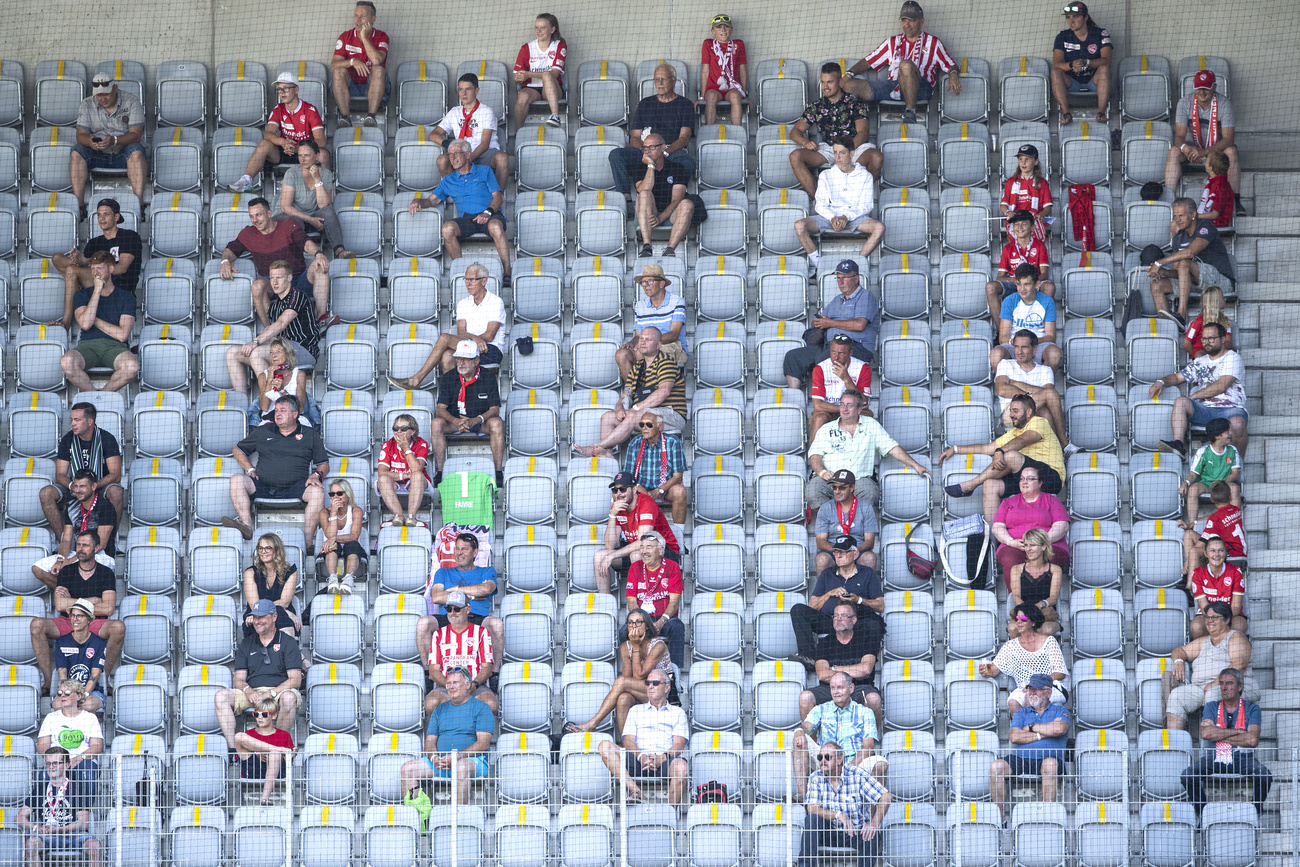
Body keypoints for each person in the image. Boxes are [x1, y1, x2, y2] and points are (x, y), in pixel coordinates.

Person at [941, 393, 1067, 528]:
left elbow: (1023, 440)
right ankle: (994, 535)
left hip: (1050, 479)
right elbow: (987, 448)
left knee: (1010, 456)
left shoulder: (1039, 422)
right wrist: (955, 449)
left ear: (1029, 412)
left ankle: (971, 485)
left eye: (1015, 411)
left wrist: (1000, 452)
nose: (1011, 414)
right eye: (1010, 411)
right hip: (1025, 479)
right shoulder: (1013, 433)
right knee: (990, 485)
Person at [223, 395, 330, 551]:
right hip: (263, 485)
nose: (277, 414)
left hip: (296, 487)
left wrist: (316, 475)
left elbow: (324, 464)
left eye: (283, 410)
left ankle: (307, 543)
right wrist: (250, 469)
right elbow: (237, 450)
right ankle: (247, 526)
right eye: (276, 410)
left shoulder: (309, 434)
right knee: (237, 479)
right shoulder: (264, 431)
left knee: (318, 492)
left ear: (295, 414)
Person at [29, 533, 125, 697]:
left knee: (118, 627)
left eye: (85, 545)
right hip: (67, 620)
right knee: (36, 624)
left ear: (96, 548)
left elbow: (108, 608)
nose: (80, 549)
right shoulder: (66, 571)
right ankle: (47, 680)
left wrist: (73, 602)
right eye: (78, 545)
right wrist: (93, 600)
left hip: (93, 622)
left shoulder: (105, 573)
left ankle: (104, 679)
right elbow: (60, 605)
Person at [218, 197, 334, 332]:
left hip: (298, 280)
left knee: (319, 265)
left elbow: (305, 242)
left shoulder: (288, 225)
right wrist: (225, 261)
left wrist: (318, 254)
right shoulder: (248, 234)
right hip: (273, 284)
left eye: (259, 215)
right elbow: (231, 249)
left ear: (269, 213)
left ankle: (321, 320)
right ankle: (271, 330)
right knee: (256, 286)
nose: (255, 220)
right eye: (252, 216)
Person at [807, 390, 932, 510]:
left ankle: (853, 525)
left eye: (849, 405)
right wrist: (822, 472)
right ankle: (833, 521)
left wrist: (915, 465)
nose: (844, 409)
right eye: (842, 405)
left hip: (859, 479)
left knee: (870, 493)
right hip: (831, 478)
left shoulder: (871, 425)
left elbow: (891, 447)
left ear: (859, 409)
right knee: (813, 491)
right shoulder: (826, 429)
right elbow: (814, 455)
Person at [574, 327, 688, 458]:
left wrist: (635, 408)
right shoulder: (637, 367)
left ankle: (599, 446)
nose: (643, 342)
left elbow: (664, 392)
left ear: (658, 345)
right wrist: (619, 408)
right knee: (608, 417)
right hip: (645, 413)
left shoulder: (666, 362)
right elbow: (626, 394)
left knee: (633, 416)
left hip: (672, 415)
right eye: (641, 339)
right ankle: (606, 456)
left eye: (648, 340)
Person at [407, 141, 511, 283]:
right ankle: (464, 272)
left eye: (456, 153)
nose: (452, 157)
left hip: (490, 215)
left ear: (468, 155)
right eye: (450, 154)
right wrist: (418, 201)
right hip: (468, 219)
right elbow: (432, 201)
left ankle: (507, 271)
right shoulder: (448, 180)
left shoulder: (484, 171)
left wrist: (487, 212)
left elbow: (498, 197)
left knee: (496, 226)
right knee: (447, 229)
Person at [388, 262, 508, 384]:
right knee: (447, 357)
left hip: (489, 350)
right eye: (466, 279)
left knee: (445, 338)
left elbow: (489, 336)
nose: (468, 283)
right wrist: (475, 339)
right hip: (471, 346)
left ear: (484, 281)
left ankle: (415, 379)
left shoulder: (496, 302)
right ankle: (452, 398)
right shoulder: (463, 303)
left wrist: (474, 340)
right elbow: (461, 331)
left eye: (472, 280)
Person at [215, 598, 305, 758]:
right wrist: (247, 690)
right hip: (252, 692)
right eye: (255, 617)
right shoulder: (247, 644)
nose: (257, 621)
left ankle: (277, 748)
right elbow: (238, 679)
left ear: (274, 617)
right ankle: (233, 752)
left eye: (262, 617)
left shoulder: (288, 642)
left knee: (290, 697)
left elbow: (295, 680)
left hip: (278, 692)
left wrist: (271, 694)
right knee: (221, 696)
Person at [843, 1, 960, 123]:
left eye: (911, 20)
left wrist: (953, 74)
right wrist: (849, 74)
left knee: (905, 65)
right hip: (894, 86)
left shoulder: (933, 43)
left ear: (921, 21)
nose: (907, 25)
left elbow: (951, 65)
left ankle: (910, 113)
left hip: (921, 89)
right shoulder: (892, 42)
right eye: (904, 20)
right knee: (849, 85)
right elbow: (868, 61)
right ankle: (853, 124)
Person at [415, 534, 505, 691]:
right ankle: (429, 673)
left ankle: (494, 674)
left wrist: (453, 590)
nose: (459, 552)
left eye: (465, 549)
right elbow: (436, 596)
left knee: (497, 624)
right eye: (457, 548)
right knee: (423, 623)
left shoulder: (487, 571)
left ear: (475, 552)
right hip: (450, 615)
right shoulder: (443, 572)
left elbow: (486, 589)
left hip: (476, 618)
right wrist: (473, 594)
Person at [564, 607, 673, 737]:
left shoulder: (658, 645)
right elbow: (628, 680)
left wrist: (636, 647)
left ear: (647, 626)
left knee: (621, 682)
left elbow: (639, 674)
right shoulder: (625, 647)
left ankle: (592, 724)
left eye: (639, 622)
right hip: (641, 690)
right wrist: (633, 646)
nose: (634, 626)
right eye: (631, 622)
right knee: (623, 698)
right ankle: (626, 746)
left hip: (660, 690)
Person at [225, 259, 323, 399]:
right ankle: (241, 401)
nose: (274, 282)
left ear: (289, 278)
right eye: (272, 278)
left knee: (257, 352)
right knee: (232, 352)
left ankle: (271, 400)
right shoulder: (275, 306)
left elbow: (281, 323)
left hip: (303, 350)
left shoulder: (297, 295)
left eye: (279, 278)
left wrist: (255, 342)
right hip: (282, 350)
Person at [1180, 668, 1272, 816]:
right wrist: (1238, 732)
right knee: (1188, 775)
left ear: (1240, 686)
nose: (1224, 687)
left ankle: (1254, 814)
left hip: (1242, 758)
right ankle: (1204, 814)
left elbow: (1252, 740)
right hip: (1213, 757)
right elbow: (1206, 733)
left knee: (1264, 775)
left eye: (1229, 683)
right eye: (1222, 683)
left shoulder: (1252, 709)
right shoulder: (1211, 706)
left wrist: (1218, 734)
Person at [1151, 321, 1247, 456]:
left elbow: (1221, 385)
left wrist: (1195, 396)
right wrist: (1161, 382)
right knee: (1180, 401)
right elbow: (1178, 377)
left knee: (1237, 424)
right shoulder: (1200, 361)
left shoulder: (1232, 358)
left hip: (1231, 410)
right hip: (1206, 410)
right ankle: (1178, 445)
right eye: (1204, 338)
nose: (1207, 342)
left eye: (1212, 338)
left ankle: (1236, 466)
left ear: (1223, 339)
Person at [609, 64, 696, 213]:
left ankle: (673, 199)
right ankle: (626, 199)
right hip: (646, 150)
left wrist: (665, 152)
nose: (660, 83)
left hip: (671, 152)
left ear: (673, 81)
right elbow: (635, 137)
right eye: (657, 80)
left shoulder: (685, 104)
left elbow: (684, 138)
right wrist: (646, 150)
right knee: (616, 155)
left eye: (663, 79)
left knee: (688, 162)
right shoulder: (645, 104)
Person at [595, 671, 690, 804]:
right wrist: (641, 756)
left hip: (665, 761)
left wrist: (661, 758)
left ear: (667, 687)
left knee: (682, 766)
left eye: (655, 683)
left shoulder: (678, 712)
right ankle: (637, 791)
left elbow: (679, 744)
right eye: (647, 683)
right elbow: (628, 741)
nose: (650, 686)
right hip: (638, 759)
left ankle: (670, 813)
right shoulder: (636, 710)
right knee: (604, 746)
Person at [400, 668, 493, 804]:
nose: (450, 686)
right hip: (442, 763)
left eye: (455, 682)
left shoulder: (482, 708)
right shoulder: (439, 710)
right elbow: (430, 742)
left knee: (461, 767)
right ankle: (416, 817)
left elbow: (483, 743)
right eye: (448, 683)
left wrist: (455, 758)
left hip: (472, 762)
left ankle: (460, 820)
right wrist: (434, 758)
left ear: (468, 685)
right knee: (407, 769)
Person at [788, 64, 880, 199]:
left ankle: (857, 197)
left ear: (840, 82)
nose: (825, 87)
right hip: (829, 149)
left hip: (854, 147)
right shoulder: (816, 106)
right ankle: (819, 201)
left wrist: (846, 151)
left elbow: (863, 133)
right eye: (823, 82)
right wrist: (805, 142)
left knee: (877, 157)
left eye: (830, 82)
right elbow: (794, 132)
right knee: (795, 156)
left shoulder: (855, 102)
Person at [784, 259, 879, 389]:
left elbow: (860, 325)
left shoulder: (865, 296)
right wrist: (819, 322)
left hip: (856, 348)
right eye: (838, 278)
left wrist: (830, 322)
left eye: (845, 277)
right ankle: (793, 401)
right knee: (793, 357)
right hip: (830, 347)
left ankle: (828, 402)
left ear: (856, 279)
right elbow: (817, 321)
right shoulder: (837, 300)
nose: (841, 282)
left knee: (825, 358)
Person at [990, 674, 1071, 823]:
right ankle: (1000, 821)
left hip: (1049, 759)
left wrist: (1031, 727)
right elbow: (1014, 736)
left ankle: (1049, 819)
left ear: (1049, 693)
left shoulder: (1060, 711)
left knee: (1050, 764)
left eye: (1037, 690)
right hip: (1022, 759)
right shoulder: (1021, 713)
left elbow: (1059, 729)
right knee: (996, 766)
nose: (1032, 693)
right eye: (1030, 689)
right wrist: (1044, 734)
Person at [1163, 600, 1256, 730]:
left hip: (1235, 686)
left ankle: (1213, 744)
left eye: (1215, 618)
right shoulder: (1203, 641)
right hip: (1202, 688)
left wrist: (1215, 683)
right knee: (1177, 695)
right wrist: (1178, 662)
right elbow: (1180, 650)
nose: (1209, 621)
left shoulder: (1235, 637)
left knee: (1214, 693)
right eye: (1207, 617)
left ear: (1227, 619)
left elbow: (1239, 665)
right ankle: (1174, 745)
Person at [792, 534, 882, 669]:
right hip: (830, 620)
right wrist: (829, 593)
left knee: (873, 625)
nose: (838, 555)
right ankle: (810, 658)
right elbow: (812, 605)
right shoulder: (827, 574)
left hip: (855, 621)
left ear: (855, 554)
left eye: (843, 552)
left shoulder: (867, 573)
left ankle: (866, 663)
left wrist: (859, 600)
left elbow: (880, 605)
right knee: (798, 610)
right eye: (836, 552)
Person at [228, 73, 329, 193]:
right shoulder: (278, 109)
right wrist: (283, 142)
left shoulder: (310, 110)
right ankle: (245, 182)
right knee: (264, 144)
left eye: (286, 88)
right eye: (279, 89)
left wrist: (298, 149)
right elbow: (268, 134)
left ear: (296, 89)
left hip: (305, 153)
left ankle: (325, 191)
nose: (282, 93)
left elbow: (321, 141)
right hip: (284, 151)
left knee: (323, 153)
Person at [50, 198, 143, 328]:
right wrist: (78, 260)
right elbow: (87, 268)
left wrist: (85, 261)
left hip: (119, 287)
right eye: (99, 214)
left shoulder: (129, 236)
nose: (101, 218)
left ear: (116, 217)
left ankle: (66, 322)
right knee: (57, 258)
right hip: (96, 285)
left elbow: (122, 268)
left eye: (106, 214)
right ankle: (78, 284)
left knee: (72, 270)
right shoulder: (94, 242)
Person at [793, 671, 887, 799]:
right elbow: (807, 726)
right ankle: (803, 797)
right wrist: (799, 731)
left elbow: (868, 747)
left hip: (854, 763)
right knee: (799, 739)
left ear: (851, 688)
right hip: (824, 760)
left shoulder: (865, 712)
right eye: (832, 688)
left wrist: (849, 768)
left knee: (881, 764)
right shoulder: (821, 709)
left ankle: (871, 815)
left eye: (840, 687)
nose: (836, 692)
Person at [797, 741, 892, 867]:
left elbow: (886, 796)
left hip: (854, 832)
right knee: (811, 819)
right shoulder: (816, 777)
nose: (822, 761)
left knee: (872, 834)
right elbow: (812, 808)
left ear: (839, 759)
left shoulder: (856, 774)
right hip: (828, 832)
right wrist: (838, 815)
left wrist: (874, 823)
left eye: (827, 757)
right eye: (820, 757)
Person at [795, 139, 886, 271]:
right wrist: (833, 217)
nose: (837, 157)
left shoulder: (865, 176)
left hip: (854, 217)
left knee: (879, 228)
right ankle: (819, 265)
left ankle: (854, 267)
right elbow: (820, 204)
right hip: (830, 217)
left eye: (842, 153)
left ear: (852, 153)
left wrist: (846, 217)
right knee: (799, 225)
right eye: (835, 153)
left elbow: (866, 205)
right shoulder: (826, 175)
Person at [799, 599, 886, 737]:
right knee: (805, 697)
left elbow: (865, 670)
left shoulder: (866, 640)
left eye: (844, 616)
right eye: (836, 616)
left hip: (859, 688)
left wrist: (834, 669)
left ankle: (868, 744)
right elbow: (821, 674)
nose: (838, 619)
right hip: (829, 689)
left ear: (854, 620)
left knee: (874, 699)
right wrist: (853, 670)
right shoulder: (824, 643)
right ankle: (814, 747)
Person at [1147, 197, 1237, 330]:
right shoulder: (1179, 237)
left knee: (1184, 262)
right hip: (1194, 283)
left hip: (1219, 283)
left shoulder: (1205, 226)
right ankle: (1170, 328)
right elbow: (1179, 273)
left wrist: (1159, 262)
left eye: (1181, 215)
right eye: (1176, 216)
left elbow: (1190, 253)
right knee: (1156, 284)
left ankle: (1181, 315)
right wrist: (1164, 271)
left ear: (1193, 214)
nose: (1177, 220)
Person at [427, 340, 506, 487]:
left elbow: (495, 409)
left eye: (466, 359)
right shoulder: (450, 377)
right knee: (436, 423)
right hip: (455, 422)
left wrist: (476, 420)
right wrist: (456, 421)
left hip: (479, 422)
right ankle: (440, 471)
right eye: (458, 358)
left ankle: (498, 471)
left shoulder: (488, 377)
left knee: (496, 422)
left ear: (476, 360)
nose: (461, 362)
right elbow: (440, 409)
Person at [59, 251, 139, 393]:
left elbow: (122, 335)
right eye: (93, 269)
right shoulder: (82, 294)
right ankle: (92, 396)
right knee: (67, 361)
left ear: (111, 269)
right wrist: (96, 291)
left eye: (100, 268)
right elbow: (85, 324)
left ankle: (103, 397)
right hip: (88, 345)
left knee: (132, 367)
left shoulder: (126, 297)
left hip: (116, 347)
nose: (95, 273)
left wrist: (94, 318)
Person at [71, 74, 145, 223]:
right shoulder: (87, 104)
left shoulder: (131, 101)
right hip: (98, 153)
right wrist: (90, 141)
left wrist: (115, 140)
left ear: (115, 89)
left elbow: (136, 135)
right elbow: (81, 136)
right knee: (77, 151)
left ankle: (139, 205)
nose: (102, 98)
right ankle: (79, 206)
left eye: (106, 95)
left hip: (123, 153)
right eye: (99, 96)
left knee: (136, 150)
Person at [592, 472, 682, 593]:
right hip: (636, 550)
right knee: (599, 556)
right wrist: (612, 515)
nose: (619, 494)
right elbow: (610, 545)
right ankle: (605, 604)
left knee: (636, 554)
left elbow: (642, 541)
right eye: (615, 490)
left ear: (634, 489)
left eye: (623, 489)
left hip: (665, 551)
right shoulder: (618, 507)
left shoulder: (646, 503)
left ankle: (643, 602)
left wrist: (613, 555)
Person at [16, 746, 101, 867]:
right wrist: (36, 828)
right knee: (31, 845)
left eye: (56, 763)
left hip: (75, 835)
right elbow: (19, 817)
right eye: (48, 763)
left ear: (67, 765)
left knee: (95, 847)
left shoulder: (78, 788)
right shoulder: (40, 789)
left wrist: (58, 829)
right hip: (48, 835)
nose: (51, 767)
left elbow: (83, 823)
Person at [35, 466, 120, 585]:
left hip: (100, 555)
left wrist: (70, 561)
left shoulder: (105, 507)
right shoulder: (72, 508)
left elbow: (100, 545)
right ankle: (73, 593)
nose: (78, 490)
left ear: (93, 487)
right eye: (76, 486)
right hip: (78, 552)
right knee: (38, 568)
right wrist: (60, 560)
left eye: (83, 486)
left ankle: (77, 593)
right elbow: (66, 541)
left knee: (82, 563)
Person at [980, 603, 1069, 716]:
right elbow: (993, 670)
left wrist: (1037, 684)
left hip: (1051, 686)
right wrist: (985, 670)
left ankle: (1032, 731)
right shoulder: (1010, 645)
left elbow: (1060, 673)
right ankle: (1023, 731)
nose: (1019, 622)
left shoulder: (1049, 641)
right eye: (1017, 618)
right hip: (1024, 688)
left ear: (1033, 622)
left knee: (1029, 699)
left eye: (1023, 618)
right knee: (1013, 702)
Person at [1165, 69, 1240, 201]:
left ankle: (1235, 201)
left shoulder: (1224, 104)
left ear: (1214, 87)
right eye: (1199, 88)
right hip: (1191, 151)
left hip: (1215, 151)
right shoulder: (1184, 103)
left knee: (1232, 151)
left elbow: (1229, 139)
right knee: (1173, 151)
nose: (1202, 92)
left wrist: (1205, 151)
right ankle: (1169, 200)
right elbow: (1178, 137)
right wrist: (1186, 149)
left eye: (1206, 88)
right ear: (1194, 88)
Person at [425, 73, 508, 190]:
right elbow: (433, 135)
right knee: (442, 160)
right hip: (462, 152)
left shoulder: (486, 111)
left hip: (484, 153)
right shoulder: (455, 112)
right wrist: (448, 144)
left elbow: (484, 144)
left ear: (477, 90)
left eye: (468, 89)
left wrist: (467, 159)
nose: (463, 93)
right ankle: (457, 193)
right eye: (461, 89)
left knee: (502, 159)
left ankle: (497, 200)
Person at [424, 590, 498, 715]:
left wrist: (472, 685)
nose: (452, 613)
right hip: (446, 687)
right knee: (431, 702)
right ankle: (448, 733)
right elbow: (433, 671)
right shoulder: (438, 634)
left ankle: (473, 733)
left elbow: (487, 667)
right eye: (449, 609)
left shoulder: (481, 632)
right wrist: (451, 686)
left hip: (475, 686)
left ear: (467, 609)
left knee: (491, 704)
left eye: (457, 609)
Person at [631, 132, 704, 259]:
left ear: (663, 147)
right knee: (644, 194)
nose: (647, 151)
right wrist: (650, 165)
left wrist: (661, 218)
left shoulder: (677, 168)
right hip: (648, 213)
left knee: (686, 204)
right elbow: (643, 189)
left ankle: (670, 249)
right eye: (645, 148)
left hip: (671, 214)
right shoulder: (640, 168)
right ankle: (647, 246)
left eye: (652, 147)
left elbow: (677, 199)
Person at [994, 330, 1068, 450]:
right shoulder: (1005, 364)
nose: (1019, 351)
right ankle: (1063, 445)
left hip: (1035, 413)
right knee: (1047, 397)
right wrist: (1035, 393)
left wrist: (1016, 384)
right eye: (1016, 347)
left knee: (1045, 411)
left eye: (1024, 347)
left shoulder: (1045, 370)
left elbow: (1051, 398)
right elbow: (1002, 390)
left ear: (1034, 349)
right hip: (1012, 413)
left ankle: (1054, 451)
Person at [278, 140, 352, 260]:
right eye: (300, 155)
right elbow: (285, 207)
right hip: (289, 216)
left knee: (328, 211)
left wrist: (317, 178)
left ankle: (339, 250)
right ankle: (293, 256)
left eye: (307, 155)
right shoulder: (291, 173)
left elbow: (323, 204)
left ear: (317, 156)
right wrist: (310, 220)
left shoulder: (326, 174)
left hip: (314, 215)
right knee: (296, 220)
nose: (303, 159)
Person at [622, 532, 685, 667]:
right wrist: (640, 623)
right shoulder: (635, 567)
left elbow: (674, 601)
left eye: (649, 547)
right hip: (643, 620)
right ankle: (632, 670)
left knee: (677, 626)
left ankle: (675, 672)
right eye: (642, 547)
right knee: (624, 631)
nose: (644, 552)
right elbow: (631, 602)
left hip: (665, 620)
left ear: (661, 550)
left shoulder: (672, 567)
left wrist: (662, 621)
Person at [615, 264, 688, 381]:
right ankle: (633, 393)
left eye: (649, 281)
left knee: (641, 352)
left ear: (661, 283)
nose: (645, 285)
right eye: (643, 282)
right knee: (621, 354)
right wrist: (631, 343)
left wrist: (648, 342)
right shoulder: (640, 305)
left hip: (672, 346)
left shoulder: (677, 302)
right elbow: (638, 336)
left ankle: (643, 393)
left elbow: (674, 334)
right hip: (647, 346)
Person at [620, 412, 688, 534]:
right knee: (621, 491)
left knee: (680, 491)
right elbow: (628, 476)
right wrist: (640, 489)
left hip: (665, 488)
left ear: (660, 426)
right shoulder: (635, 443)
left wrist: (659, 490)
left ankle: (679, 535)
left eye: (649, 425)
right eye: (642, 424)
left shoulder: (672, 442)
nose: (644, 428)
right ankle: (628, 535)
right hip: (640, 488)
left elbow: (678, 477)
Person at [990, 264, 1064, 372]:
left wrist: (1029, 343)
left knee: (1054, 354)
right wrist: (1018, 344)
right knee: (995, 355)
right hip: (1014, 345)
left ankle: (1042, 386)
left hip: (1039, 344)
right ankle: (1010, 387)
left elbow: (1051, 336)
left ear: (1036, 284)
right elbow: (1003, 337)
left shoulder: (1047, 301)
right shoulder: (1009, 301)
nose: (1022, 289)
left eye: (1027, 284)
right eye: (1019, 284)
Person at [1050, 2, 1113, 124]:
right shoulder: (1062, 36)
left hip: (1093, 81)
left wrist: (1087, 62)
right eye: (1068, 17)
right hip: (1072, 82)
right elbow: (1056, 63)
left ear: (1086, 17)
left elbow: (1107, 61)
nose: (1071, 21)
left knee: (1105, 69)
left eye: (1076, 16)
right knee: (1055, 72)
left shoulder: (1100, 33)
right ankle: (1066, 114)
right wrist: (1071, 65)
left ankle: (1101, 113)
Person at [37, 672, 103, 784]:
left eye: (67, 693)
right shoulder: (50, 717)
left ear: (79, 696)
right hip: (56, 761)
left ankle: (83, 802)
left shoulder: (90, 718)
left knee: (87, 774)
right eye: (59, 693)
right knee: (43, 776)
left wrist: (78, 758)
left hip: (83, 760)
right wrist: (55, 760)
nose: (62, 695)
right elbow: (42, 745)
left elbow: (97, 746)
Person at [331, 1, 390, 127]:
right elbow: (333, 65)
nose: (358, 19)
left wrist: (364, 37)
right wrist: (352, 61)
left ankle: (371, 117)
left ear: (373, 19)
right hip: (350, 87)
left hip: (374, 87)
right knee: (338, 71)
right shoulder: (345, 36)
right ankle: (345, 118)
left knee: (378, 69)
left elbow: (376, 61)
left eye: (363, 16)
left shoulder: (382, 36)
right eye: (356, 15)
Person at [987, 209, 1054, 318]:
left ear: (1032, 227)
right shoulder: (1008, 248)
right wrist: (1012, 280)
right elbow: (999, 277)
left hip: (1033, 283)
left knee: (1049, 287)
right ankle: (1001, 332)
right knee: (991, 287)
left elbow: (1045, 274)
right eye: (1017, 224)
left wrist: (1030, 282)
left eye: (1024, 224)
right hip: (1013, 283)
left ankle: (1039, 327)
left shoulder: (1040, 246)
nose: (1020, 227)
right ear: (1013, 228)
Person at [809, 335, 874, 441]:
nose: (836, 357)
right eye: (833, 352)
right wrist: (845, 409)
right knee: (819, 418)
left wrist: (847, 379)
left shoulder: (863, 367)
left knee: (865, 417)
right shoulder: (820, 368)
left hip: (855, 410)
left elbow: (864, 403)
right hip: (828, 410)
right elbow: (818, 405)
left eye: (841, 353)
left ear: (850, 353)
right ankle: (813, 456)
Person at [1181, 417, 1241, 529]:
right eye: (1227, 432)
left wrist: (1221, 482)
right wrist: (1185, 483)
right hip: (1207, 483)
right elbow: (1194, 474)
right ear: (1217, 436)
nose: (1230, 434)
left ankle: (1234, 524)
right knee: (1193, 489)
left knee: (1235, 489)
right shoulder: (1203, 452)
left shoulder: (1232, 450)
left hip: (1224, 484)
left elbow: (1235, 474)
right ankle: (1192, 525)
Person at [813, 471, 878, 573]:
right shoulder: (825, 508)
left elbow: (869, 541)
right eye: (834, 487)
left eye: (842, 488)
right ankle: (825, 590)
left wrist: (853, 552)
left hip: (857, 551)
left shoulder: (866, 507)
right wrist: (838, 551)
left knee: (869, 558)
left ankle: (864, 589)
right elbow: (820, 542)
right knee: (822, 559)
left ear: (852, 488)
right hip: (833, 551)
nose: (837, 491)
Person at [235, 695, 295, 805]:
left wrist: (288, 755)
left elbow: (288, 759)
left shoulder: (284, 735)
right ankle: (278, 749)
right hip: (253, 770)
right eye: (256, 714)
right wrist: (258, 754)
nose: (260, 717)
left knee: (275, 754)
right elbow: (239, 756)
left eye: (264, 714)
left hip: (277, 771)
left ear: (274, 716)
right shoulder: (249, 734)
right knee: (239, 736)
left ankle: (265, 797)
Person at [50, 600, 108, 712]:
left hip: (92, 692)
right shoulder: (61, 642)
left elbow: (94, 676)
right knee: (58, 705)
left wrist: (82, 696)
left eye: (79, 616)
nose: (74, 619)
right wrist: (68, 695)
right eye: (72, 615)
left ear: (89, 619)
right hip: (67, 691)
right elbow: (62, 676)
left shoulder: (99, 643)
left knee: (87, 705)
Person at [512, 13, 567, 129]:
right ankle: (518, 134)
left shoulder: (559, 45)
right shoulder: (526, 47)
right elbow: (517, 74)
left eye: (543, 27)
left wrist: (528, 74)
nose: (538, 31)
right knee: (522, 96)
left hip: (552, 89)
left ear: (552, 29)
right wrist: (518, 77)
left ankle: (555, 116)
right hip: (532, 88)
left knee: (547, 75)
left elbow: (554, 74)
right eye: (536, 27)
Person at [242, 533, 301, 637]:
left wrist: (284, 611)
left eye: (268, 548)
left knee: (280, 613)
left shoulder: (290, 572)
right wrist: (287, 613)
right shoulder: (250, 573)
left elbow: (285, 602)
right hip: (256, 618)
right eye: (260, 548)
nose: (263, 552)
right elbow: (256, 607)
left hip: (281, 617)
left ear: (276, 550)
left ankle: (288, 651)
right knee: (279, 611)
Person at [377, 413, 431, 527]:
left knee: (417, 475)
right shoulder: (388, 445)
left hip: (417, 483)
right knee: (382, 479)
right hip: (395, 482)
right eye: (396, 428)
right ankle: (399, 516)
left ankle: (411, 517)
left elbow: (417, 469)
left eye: (404, 428)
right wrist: (405, 476)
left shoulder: (421, 444)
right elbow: (382, 472)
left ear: (413, 431)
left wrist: (406, 448)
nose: (399, 432)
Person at [1183, 480, 1246, 575]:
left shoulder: (1215, 519)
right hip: (1236, 549)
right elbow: (1217, 516)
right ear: (1230, 497)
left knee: (1194, 551)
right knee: (1188, 534)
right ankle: (1195, 574)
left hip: (1229, 552)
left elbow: (1200, 544)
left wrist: (1187, 561)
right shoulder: (1236, 509)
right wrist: (1195, 522)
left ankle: (1193, 579)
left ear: (1211, 499)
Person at [1007, 529, 1062, 637]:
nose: (1028, 549)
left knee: (1046, 629)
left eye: (1033, 545)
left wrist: (1040, 605)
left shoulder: (1055, 569)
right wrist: (1028, 612)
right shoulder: (1016, 569)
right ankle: (1020, 654)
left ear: (1044, 546)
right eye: (1026, 545)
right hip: (1023, 612)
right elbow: (1016, 597)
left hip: (1045, 613)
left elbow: (1053, 598)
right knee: (1013, 627)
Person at [1188, 537, 1247, 638]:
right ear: (1206, 553)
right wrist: (1214, 621)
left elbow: (1236, 608)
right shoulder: (1198, 573)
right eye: (1212, 551)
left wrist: (1222, 621)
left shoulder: (1235, 571)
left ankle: (1231, 653)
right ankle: (1204, 653)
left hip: (1230, 616)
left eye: (1221, 550)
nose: (1217, 554)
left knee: (1240, 625)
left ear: (1225, 553)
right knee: (1197, 626)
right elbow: (1204, 607)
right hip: (1207, 615)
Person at [250, 336, 314, 426]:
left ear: (288, 353)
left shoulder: (299, 375)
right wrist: (269, 381)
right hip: (270, 420)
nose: (273, 355)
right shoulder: (263, 376)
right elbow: (264, 407)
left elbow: (300, 408)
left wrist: (282, 390)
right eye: (271, 352)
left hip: (292, 419)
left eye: (278, 351)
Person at [319, 479, 367, 595]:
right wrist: (334, 513)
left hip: (351, 546)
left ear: (347, 495)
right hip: (331, 549)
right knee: (331, 547)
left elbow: (354, 536)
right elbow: (329, 535)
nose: (336, 497)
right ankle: (332, 579)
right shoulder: (324, 512)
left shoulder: (356, 510)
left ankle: (348, 579)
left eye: (339, 493)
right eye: (332, 494)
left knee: (352, 545)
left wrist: (333, 539)